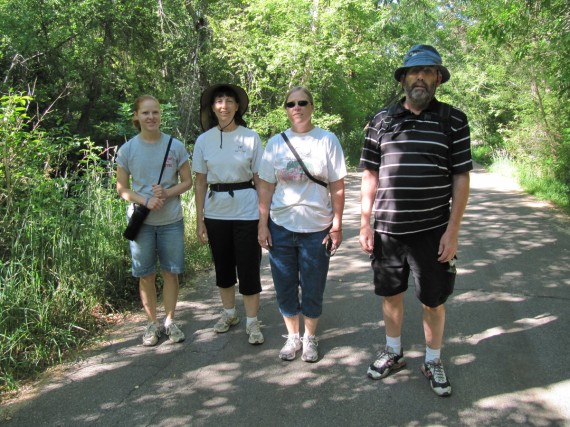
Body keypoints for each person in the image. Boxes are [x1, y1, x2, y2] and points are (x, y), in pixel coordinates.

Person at [359, 45, 472, 396]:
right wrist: (365, 223)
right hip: (388, 231)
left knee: (433, 300)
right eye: (413, 72)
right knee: (390, 295)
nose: (420, 77)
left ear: (438, 78)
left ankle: (433, 360)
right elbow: (370, 175)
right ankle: (393, 353)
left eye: (427, 71)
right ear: (404, 78)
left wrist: (452, 231)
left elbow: (461, 177)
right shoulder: (381, 120)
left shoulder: (453, 120)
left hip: (433, 231)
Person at [258, 86, 347, 362]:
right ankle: (293, 338)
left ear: (312, 106)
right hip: (281, 226)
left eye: (302, 103)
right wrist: (262, 224)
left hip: (316, 228)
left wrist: (337, 224)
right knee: (284, 284)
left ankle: (309, 338)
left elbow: (338, 187)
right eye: (291, 104)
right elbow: (265, 187)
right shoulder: (275, 143)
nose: (296, 108)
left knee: (312, 285)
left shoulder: (327, 140)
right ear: (285, 109)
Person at [116, 95, 193, 346]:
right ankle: (151, 324)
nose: (151, 117)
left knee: (171, 273)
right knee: (146, 275)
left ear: (161, 115)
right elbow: (122, 189)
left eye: (155, 113)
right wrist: (144, 200)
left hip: (171, 220)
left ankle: (170, 321)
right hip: (143, 224)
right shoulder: (127, 149)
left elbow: (187, 181)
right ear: (136, 117)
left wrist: (167, 193)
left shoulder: (175, 146)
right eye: (146, 113)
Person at [192, 84, 265, 345]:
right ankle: (229, 313)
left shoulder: (251, 137)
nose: (224, 106)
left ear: (237, 107)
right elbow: (200, 181)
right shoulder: (204, 140)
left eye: (229, 101)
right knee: (223, 267)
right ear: (212, 107)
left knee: (248, 267)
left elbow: (260, 178)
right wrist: (200, 218)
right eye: (219, 101)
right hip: (216, 212)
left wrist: (263, 220)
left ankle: (253, 322)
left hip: (246, 211)